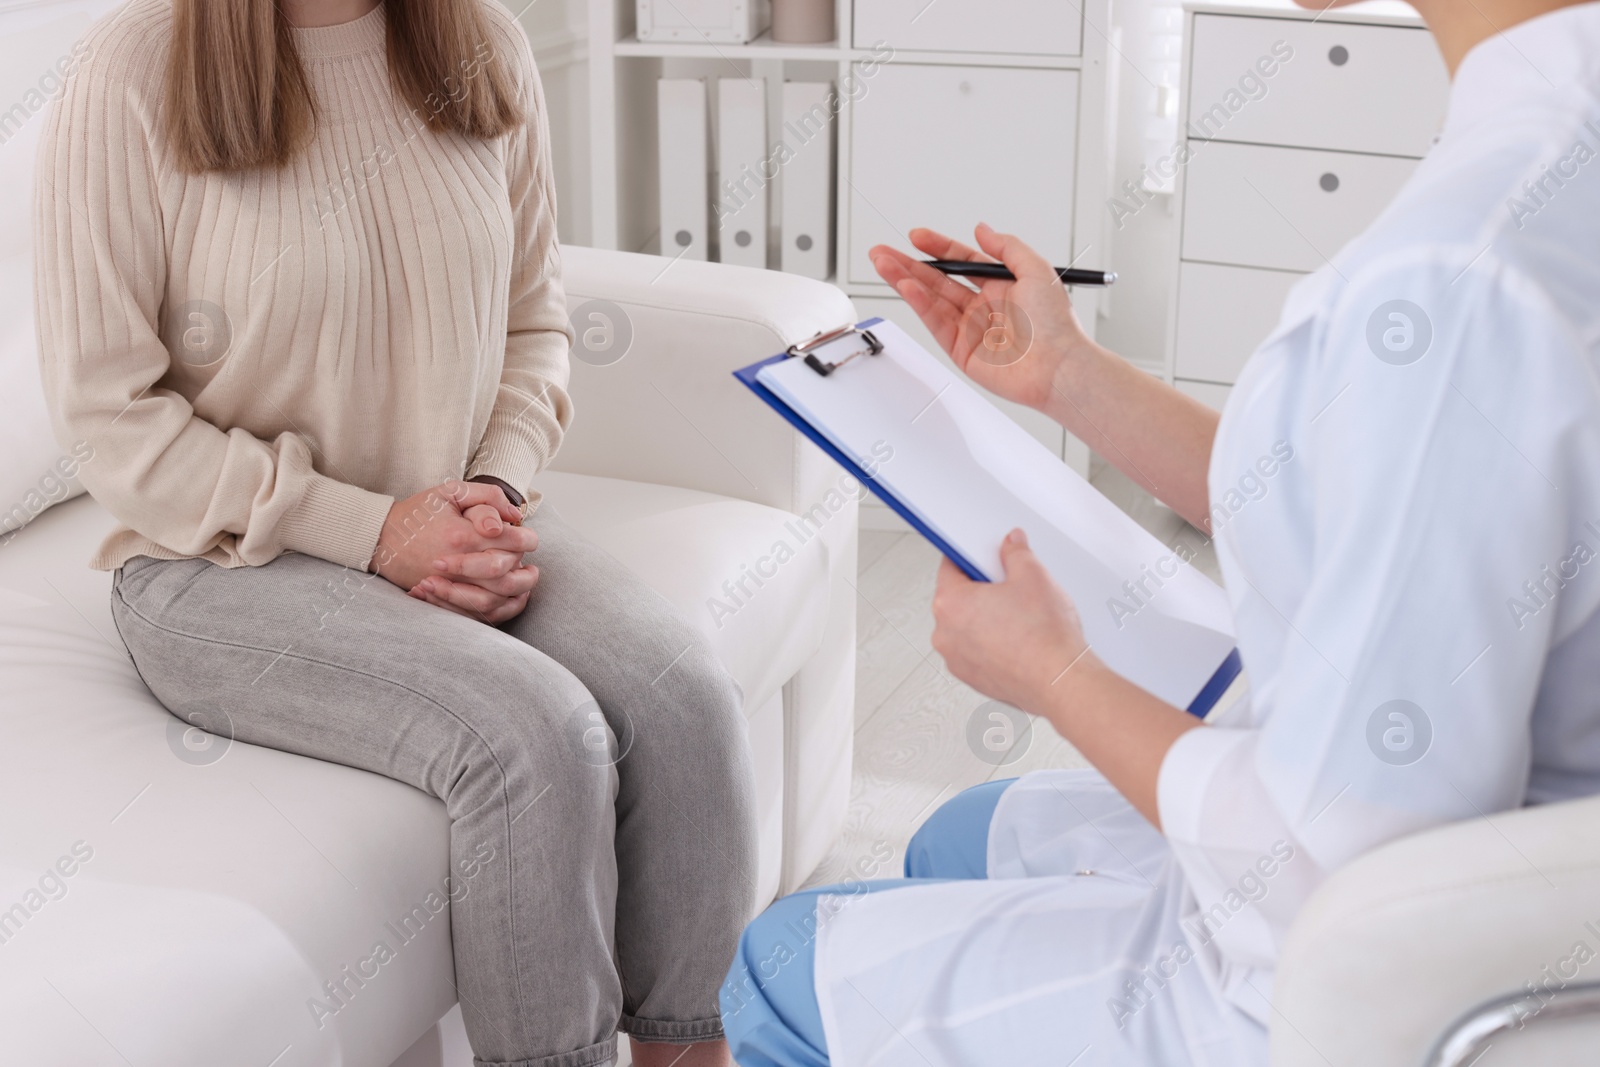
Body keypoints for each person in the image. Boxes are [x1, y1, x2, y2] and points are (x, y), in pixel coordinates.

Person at [721, 0, 1600, 1063]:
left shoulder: (1458, 269)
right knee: (959, 831)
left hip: (1359, 975)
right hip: (1506, 858)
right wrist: (1074, 380)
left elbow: (1338, 864)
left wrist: (1058, 675)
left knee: (777, 967)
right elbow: (1370, 489)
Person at [34, 1, 754, 1065]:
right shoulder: (131, 68)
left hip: (458, 510)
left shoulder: (482, 42)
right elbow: (106, 417)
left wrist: (487, 490)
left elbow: (535, 322)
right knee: (538, 734)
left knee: (680, 690)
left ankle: (695, 1051)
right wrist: (376, 531)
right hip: (223, 560)